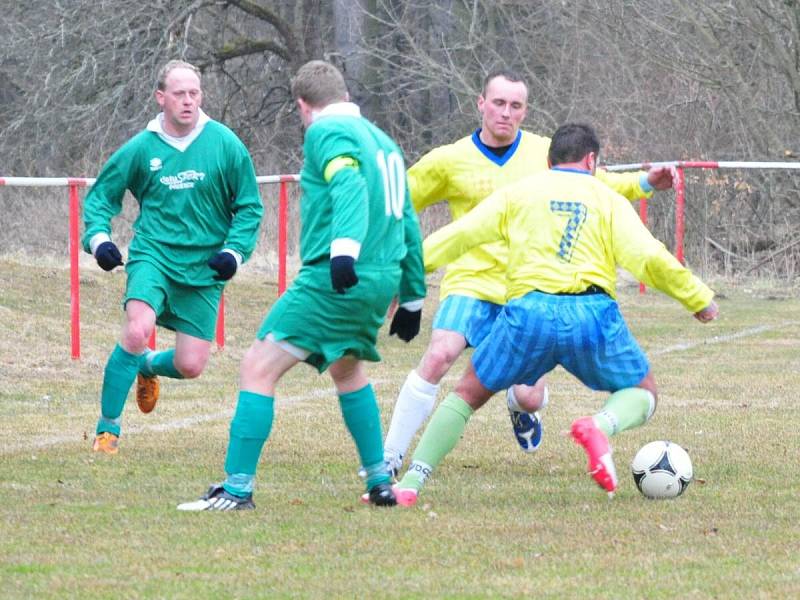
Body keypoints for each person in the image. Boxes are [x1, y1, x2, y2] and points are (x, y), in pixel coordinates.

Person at [391, 123, 718, 506]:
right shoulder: (607, 198)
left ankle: (411, 482)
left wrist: (405, 276)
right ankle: (599, 426)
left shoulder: (517, 193)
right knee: (642, 393)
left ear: (548, 161)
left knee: (465, 396)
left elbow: (458, 236)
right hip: (591, 314)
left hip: (528, 315)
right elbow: (647, 257)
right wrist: (696, 296)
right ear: (592, 160)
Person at [382, 69, 677, 475]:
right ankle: (391, 456)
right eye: (498, 103)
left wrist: (645, 182)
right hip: (472, 282)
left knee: (530, 396)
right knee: (440, 353)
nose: (506, 113)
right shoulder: (448, 160)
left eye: (515, 106)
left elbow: (598, 182)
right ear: (480, 104)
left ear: (525, 111)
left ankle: (520, 407)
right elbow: (397, 203)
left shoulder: (544, 154)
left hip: (529, 292)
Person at [177, 60, 426, 511]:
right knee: (347, 369)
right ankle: (379, 481)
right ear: (345, 95)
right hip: (381, 278)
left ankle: (235, 490)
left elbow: (347, 183)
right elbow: (406, 217)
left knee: (257, 367)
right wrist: (412, 295)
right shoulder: (385, 142)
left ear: (302, 106)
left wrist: (344, 249)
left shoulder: (325, 133)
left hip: (336, 275)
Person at [82, 60, 264, 455]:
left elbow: (250, 207)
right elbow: (100, 199)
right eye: (179, 93)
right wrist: (99, 241)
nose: (188, 101)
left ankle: (147, 366)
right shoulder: (140, 148)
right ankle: (107, 430)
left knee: (191, 365)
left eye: (194, 93)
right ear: (160, 97)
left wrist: (233, 252)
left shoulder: (226, 144)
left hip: (204, 267)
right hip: (154, 256)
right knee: (136, 329)